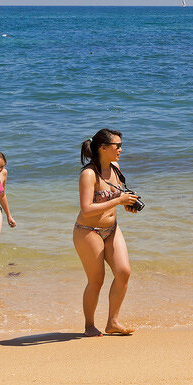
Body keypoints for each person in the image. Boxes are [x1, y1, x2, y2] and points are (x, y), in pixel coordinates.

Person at [73, 128, 140, 336]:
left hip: (112, 228)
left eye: (120, 145)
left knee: (123, 272)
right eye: (117, 146)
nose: (120, 149)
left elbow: (116, 196)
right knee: (97, 280)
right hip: (88, 230)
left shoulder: (116, 168)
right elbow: (86, 209)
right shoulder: (88, 174)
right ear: (103, 148)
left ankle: (113, 322)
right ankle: (89, 326)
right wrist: (118, 200)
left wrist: (127, 203)